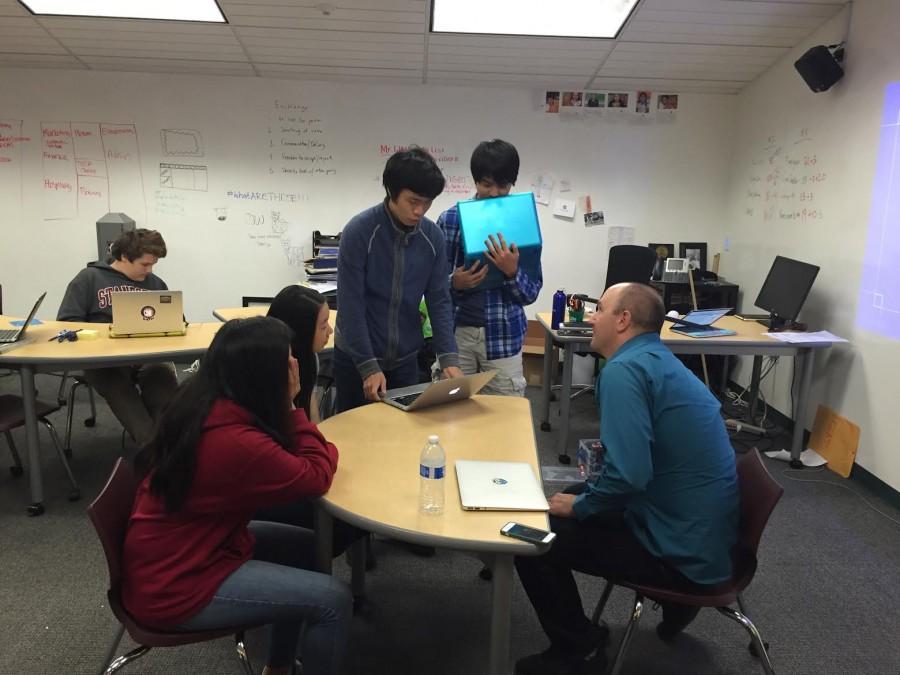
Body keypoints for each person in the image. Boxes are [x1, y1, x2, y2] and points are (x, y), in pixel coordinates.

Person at [514, 283, 739, 675]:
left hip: (678, 551)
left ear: (623, 320)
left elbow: (631, 475)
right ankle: (675, 607)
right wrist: (582, 499)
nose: (590, 317)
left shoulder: (622, 371)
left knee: (531, 537)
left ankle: (578, 650)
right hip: (707, 536)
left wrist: (584, 506)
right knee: (570, 495)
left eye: (599, 309)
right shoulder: (658, 359)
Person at [123, 317, 352, 675]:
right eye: (288, 361)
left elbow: (306, 459)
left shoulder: (205, 403)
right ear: (264, 374)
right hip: (177, 585)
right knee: (333, 601)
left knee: (308, 548)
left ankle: (277, 668)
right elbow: (316, 475)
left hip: (190, 549)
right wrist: (293, 408)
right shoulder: (235, 440)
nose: (295, 366)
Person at [334, 146, 462, 412]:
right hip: (356, 358)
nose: (420, 211)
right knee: (355, 438)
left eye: (427, 203)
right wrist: (368, 365)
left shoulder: (432, 238)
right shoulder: (360, 232)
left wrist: (448, 358)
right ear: (392, 192)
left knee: (402, 437)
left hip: (405, 359)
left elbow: (439, 300)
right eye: (413, 201)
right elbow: (350, 305)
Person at [437, 139, 542, 396]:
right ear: (475, 181)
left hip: (503, 338)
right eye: (486, 184)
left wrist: (512, 272)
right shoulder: (450, 219)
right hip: (457, 335)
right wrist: (454, 282)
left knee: (505, 418)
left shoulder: (522, 222)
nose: (494, 192)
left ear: (512, 184)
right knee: (451, 414)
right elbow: (432, 290)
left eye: (503, 185)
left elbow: (530, 294)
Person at [57, 228, 178, 444]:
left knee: (163, 384)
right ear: (123, 256)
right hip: (104, 361)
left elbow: (174, 320)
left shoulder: (154, 283)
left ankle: (169, 444)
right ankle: (154, 451)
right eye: (144, 264)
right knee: (120, 390)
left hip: (146, 357)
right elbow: (67, 323)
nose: (149, 270)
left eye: (153, 264)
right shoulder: (89, 279)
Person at [267, 285, 333, 423]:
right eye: (323, 326)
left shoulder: (310, 357)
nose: (330, 331)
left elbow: (311, 413)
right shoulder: (272, 367)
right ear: (302, 332)